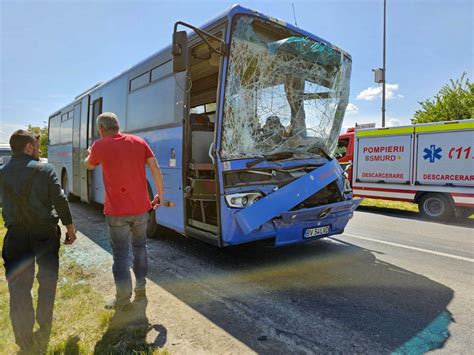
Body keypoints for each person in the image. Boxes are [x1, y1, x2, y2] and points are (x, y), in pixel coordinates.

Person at [0, 130, 77, 353]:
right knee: (47, 281)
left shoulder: (2, 173)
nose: (39, 148)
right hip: (44, 234)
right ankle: (44, 327)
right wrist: (70, 227)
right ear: (28, 147)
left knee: (19, 287)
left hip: (15, 236)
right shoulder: (45, 169)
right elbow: (60, 200)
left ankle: (24, 339)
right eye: (37, 144)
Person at [84, 112, 163, 311]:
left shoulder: (100, 145)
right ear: (118, 126)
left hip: (116, 212)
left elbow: (89, 165)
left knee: (120, 254)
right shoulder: (138, 141)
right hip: (141, 209)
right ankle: (141, 288)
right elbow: (154, 166)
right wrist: (160, 194)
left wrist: (89, 153)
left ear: (101, 128)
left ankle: (123, 299)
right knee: (140, 247)